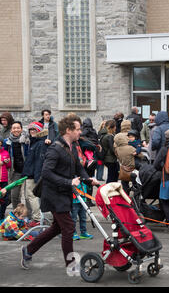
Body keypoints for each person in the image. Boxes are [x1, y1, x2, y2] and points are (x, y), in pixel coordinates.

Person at [21, 113, 100, 270]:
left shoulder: (72, 146)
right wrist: (68, 181)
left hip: (63, 193)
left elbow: (78, 167)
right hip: (54, 195)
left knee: (57, 228)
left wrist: (89, 179)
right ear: (68, 130)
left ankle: (28, 250)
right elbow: (46, 172)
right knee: (69, 227)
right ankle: (71, 265)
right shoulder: (55, 149)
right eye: (78, 129)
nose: (80, 132)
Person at [22, 122, 48, 226]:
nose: (32, 131)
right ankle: (36, 218)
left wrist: (37, 178)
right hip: (30, 173)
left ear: (39, 131)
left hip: (33, 175)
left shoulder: (40, 143)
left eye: (34, 129)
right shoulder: (34, 142)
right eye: (30, 129)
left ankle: (37, 219)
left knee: (31, 196)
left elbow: (39, 162)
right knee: (29, 197)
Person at [3, 121, 29, 210]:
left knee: (28, 196)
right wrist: (5, 159)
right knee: (14, 195)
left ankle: (29, 216)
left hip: (28, 171)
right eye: (14, 128)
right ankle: (17, 214)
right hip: (15, 171)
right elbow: (3, 153)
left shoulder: (27, 139)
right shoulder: (7, 142)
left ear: (21, 129)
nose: (16, 130)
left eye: (18, 128)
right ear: (11, 130)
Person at [0, 139, 11, 221]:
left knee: (4, 198)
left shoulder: (5, 153)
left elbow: (9, 166)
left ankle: (2, 214)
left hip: (3, 179)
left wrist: (6, 162)